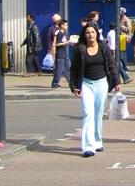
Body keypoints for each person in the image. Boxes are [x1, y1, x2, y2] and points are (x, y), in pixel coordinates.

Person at [70, 21, 120, 157]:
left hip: (101, 84)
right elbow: (74, 69)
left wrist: (117, 81)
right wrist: (73, 86)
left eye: (92, 32)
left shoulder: (104, 47)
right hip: (86, 84)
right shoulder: (80, 49)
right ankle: (88, 147)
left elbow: (111, 65)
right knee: (88, 114)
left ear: (97, 33)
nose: (90, 35)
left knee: (98, 114)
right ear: (84, 35)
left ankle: (97, 141)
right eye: (88, 32)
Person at [51, 18, 71, 88]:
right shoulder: (59, 34)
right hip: (60, 54)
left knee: (68, 68)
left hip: (65, 54)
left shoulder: (64, 33)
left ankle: (71, 82)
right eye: (66, 25)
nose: (67, 26)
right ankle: (55, 83)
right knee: (59, 70)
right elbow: (57, 44)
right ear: (62, 25)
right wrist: (67, 43)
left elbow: (65, 42)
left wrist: (71, 42)